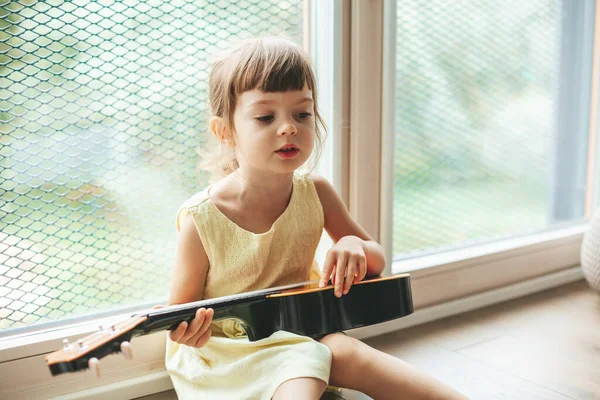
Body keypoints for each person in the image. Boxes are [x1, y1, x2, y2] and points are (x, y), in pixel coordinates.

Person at [161, 36, 468, 400]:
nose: (289, 127)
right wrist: (183, 328)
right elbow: (180, 314)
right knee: (306, 365)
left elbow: (377, 259)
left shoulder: (315, 191)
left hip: (299, 330)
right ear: (225, 131)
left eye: (302, 113)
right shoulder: (202, 220)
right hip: (230, 354)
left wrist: (353, 245)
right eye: (265, 117)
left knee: (348, 352)